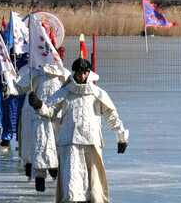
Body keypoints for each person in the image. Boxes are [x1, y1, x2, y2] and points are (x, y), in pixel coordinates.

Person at [29, 58, 129, 203]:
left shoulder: (97, 94)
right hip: (70, 143)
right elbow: (50, 111)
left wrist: (121, 137)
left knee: (93, 185)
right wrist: (38, 105)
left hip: (91, 142)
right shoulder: (65, 92)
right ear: (74, 73)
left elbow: (111, 116)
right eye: (79, 73)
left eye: (85, 73)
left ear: (89, 73)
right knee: (72, 182)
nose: (82, 76)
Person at [13, 57, 70, 191]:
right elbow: (19, 87)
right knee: (40, 144)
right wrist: (9, 86)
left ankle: (56, 170)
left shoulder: (63, 73)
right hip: (38, 114)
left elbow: (71, 88)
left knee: (57, 144)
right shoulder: (35, 74)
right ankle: (39, 177)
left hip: (57, 114)